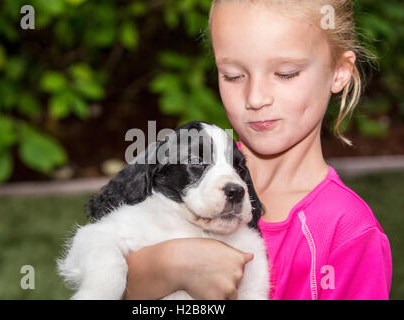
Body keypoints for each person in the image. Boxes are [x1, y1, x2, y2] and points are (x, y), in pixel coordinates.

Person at [123, 0, 392, 300]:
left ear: (339, 72)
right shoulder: (178, 179)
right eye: (233, 75)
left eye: (286, 73)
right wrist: (170, 265)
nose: (255, 97)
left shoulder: (348, 232)